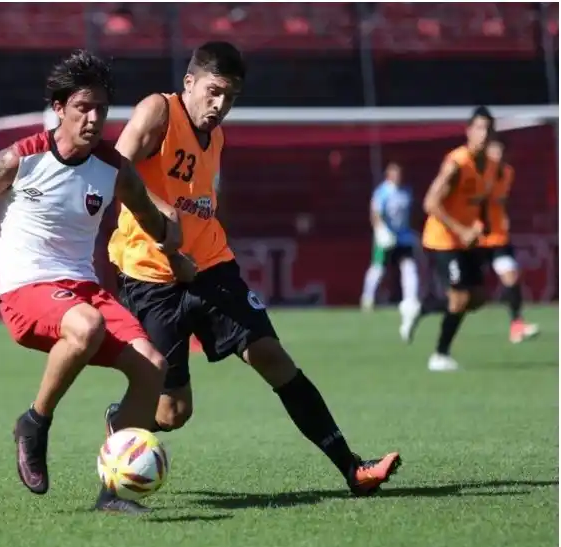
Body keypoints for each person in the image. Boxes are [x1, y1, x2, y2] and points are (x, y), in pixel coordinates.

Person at [0, 51, 183, 515]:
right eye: (83, 107)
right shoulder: (20, 158)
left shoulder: (113, 169)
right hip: (26, 289)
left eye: (101, 109)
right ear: (59, 108)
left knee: (153, 366)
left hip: (83, 289)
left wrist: (174, 250)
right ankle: (34, 422)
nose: (93, 118)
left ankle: (112, 493)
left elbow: (147, 215)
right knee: (85, 326)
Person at [106, 41, 401, 496]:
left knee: (271, 355)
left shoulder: (216, 136)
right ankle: (119, 431)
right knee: (172, 414)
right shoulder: (158, 112)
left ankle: (353, 468)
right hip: (152, 280)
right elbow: (114, 170)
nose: (221, 105)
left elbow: (200, 202)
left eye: (231, 96)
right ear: (189, 83)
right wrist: (167, 228)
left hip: (212, 269)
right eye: (214, 91)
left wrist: (195, 238)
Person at [401, 106, 495, 371]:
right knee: (460, 299)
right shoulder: (457, 163)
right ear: (468, 131)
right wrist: (461, 230)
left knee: (477, 298)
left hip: (466, 240)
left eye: (488, 128)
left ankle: (421, 308)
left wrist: (478, 226)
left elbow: (479, 203)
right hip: (443, 239)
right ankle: (440, 355)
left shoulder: (488, 166)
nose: (484, 134)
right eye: (479, 128)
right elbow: (430, 202)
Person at [480, 136, 539, 344]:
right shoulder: (475, 173)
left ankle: (517, 325)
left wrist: (502, 217)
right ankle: (421, 310)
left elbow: (500, 200)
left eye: (500, 153)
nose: (497, 157)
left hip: (497, 237)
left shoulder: (507, 173)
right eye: (493, 153)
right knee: (463, 297)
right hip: (475, 239)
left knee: (511, 277)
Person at [359, 162, 422, 338]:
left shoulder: (406, 191)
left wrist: (414, 231)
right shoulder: (382, 192)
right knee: (378, 268)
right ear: (388, 175)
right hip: (386, 237)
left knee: (409, 268)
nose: (398, 177)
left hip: (403, 237)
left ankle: (411, 300)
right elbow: (375, 213)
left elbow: (412, 213)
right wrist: (381, 230)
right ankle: (368, 298)